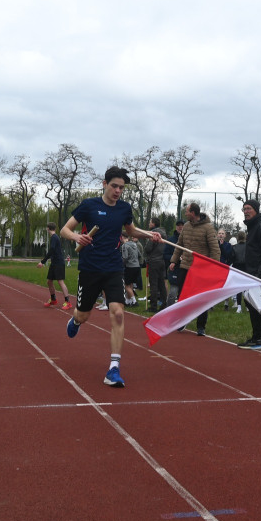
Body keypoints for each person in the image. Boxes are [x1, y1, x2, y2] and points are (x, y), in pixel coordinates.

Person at [60, 166, 162, 388]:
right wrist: (77, 237)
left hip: (114, 268)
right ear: (105, 184)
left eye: (121, 188)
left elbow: (131, 231)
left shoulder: (124, 208)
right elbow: (64, 230)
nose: (118, 191)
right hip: (90, 269)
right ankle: (75, 320)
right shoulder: (89, 205)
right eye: (114, 186)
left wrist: (150, 234)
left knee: (118, 313)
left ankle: (114, 369)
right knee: (84, 315)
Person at [169, 202, 221, 336]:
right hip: (185, 266)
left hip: (201, 269)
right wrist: (174, 261)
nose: (185, 213)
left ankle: (201, 326)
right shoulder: (186, 226)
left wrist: (214, 267)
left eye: (187, 211)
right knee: (182, 295)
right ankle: (182, 321)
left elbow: (215, 249)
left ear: (193, 213)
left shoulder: (208, 228)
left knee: (201, 297)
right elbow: (179, 245)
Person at [237, 199, 261, 349]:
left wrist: (259, 275)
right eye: (244, 209)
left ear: (256, 210)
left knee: (253, 303)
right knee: (252, 302)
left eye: (249, 209)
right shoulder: (253, 226)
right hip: (252, 272)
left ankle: (258, 337)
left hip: (259, 274)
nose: (246, 211)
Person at [38, 221, 71, 309]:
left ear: (48, 228)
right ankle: (53, 299)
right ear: (55, 229)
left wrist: (43, 261)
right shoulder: (54, 237)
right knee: (49, 281)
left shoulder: (54, 237)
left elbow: (52, 249)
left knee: (60, 281)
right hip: (54, 263)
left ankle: (68, 302)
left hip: (58, 263)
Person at [143, 217, 167, 312]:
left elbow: (148, 248)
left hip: (153, 261)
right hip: (161, 260)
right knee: (161, 284)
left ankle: (153, 306)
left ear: (153, 224)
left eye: (150, 222)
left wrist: (146, 248)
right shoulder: (164, 234)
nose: (149, 224)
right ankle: (164, 304)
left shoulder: (153, 234)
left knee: (153, 284)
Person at [166, 220, 185, 306]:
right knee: (172, 293)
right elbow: (165, 255)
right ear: (176, 227)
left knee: (184, 293)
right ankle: (169, 309)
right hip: (175, 270)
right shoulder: (170, 240)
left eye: (182, 225)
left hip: (186, 269)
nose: (180, 227)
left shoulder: (189, 240)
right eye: (178, 225)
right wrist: (175, 259)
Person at [121, 232, 142, 306]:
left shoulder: (124, 245)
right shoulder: (134, 244)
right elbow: (139, 254)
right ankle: (128, 301)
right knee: (131, 284)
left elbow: (125, 257)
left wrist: (121, 264)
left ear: (122, 237)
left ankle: (134, 301)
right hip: (136, 266)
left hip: (129, 266)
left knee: (126, 285)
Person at [231, 230, 248, 313]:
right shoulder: (248, 247)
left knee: (239, 288)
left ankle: (239, 307)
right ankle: (248, 306)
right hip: (246, 269)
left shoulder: (234, 247)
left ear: (238, 238)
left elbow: (232, 258)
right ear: (245, 237)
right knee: (246, 288)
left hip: (237, 269)